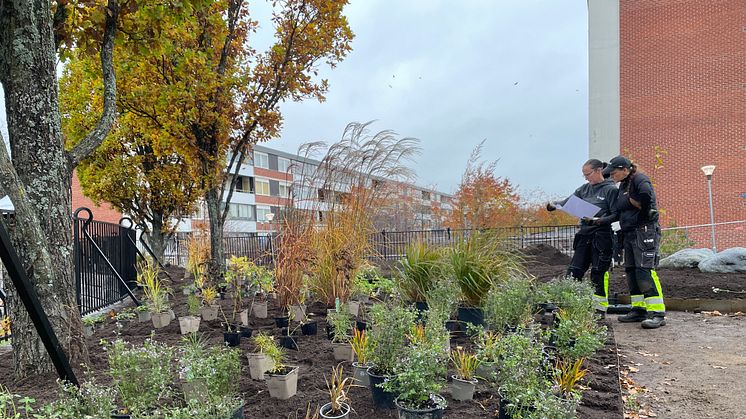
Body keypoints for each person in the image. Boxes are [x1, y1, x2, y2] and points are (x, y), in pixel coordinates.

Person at [595, 155, 666, 329]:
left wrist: (643, 209)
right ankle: (639, 309)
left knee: (644, 270)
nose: (611, 175)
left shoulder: (639, 179)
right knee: (632, 271)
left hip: (644, 231)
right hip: (629, 232)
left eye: (614, 172)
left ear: (625, 170)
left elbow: (646, 195)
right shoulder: (624, 184)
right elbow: (621, 208)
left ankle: (657, 313)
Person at [546, 159, 618, 316]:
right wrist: (554, 205)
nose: (586, 178)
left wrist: (599, 220)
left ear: (599, 171)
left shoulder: (610, 190)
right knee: (574, 270)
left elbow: (615, 214)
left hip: (602, 236)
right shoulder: (584, 189)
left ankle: (599, 309)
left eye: (588, 174)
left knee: (598, 272)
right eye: (584, 175)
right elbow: (568, 202)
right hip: (584, 235)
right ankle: (567, 305)